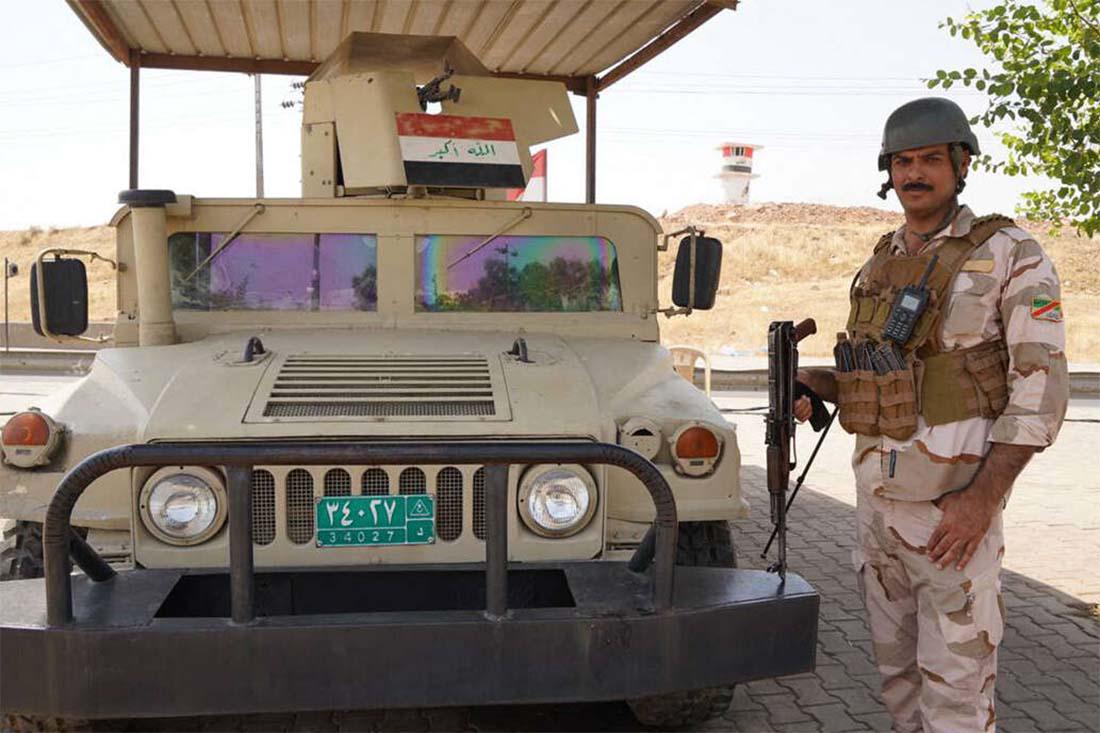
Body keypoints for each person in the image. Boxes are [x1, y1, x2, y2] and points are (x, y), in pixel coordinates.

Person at [794, 97, 1069, 732]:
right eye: (902, 162)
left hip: (953, 517)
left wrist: (984, 499)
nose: (914, 173)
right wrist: (814, 381)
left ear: (961, 163)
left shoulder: (1010, 253)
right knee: (899, 689)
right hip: (880, 517)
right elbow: (882, 373)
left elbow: (1041, 391)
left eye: (929, 160)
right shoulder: (879, 259)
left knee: (957, 700)